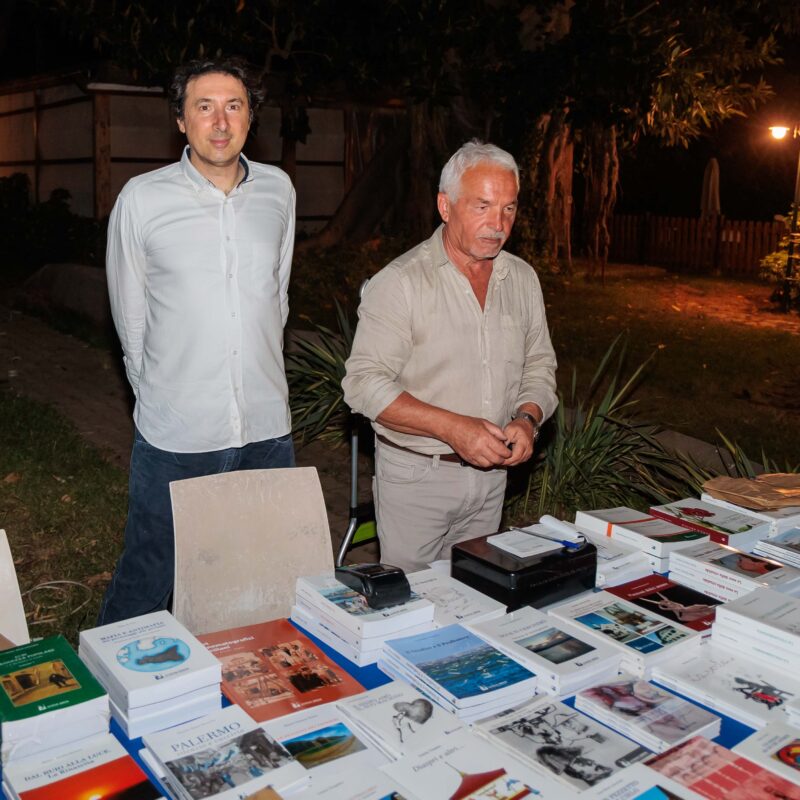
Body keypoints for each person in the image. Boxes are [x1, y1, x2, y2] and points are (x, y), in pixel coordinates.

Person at [99, 57, 296, 624]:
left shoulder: (279, 190)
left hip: (265, 430)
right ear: (181, 121)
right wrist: (163, 395)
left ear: (251, 116)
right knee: (149, 574)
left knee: (261, 576)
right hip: (177, 433)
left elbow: (276, 296)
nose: (220, 121)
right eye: (203, 107)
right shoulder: (141, 199)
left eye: (234, 106)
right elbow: (130, 321)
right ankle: (110, 673)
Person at [342, 140, 557, 572]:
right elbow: (363, 384)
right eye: (482, 206)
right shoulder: (401, 282)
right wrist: (453, 429)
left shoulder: (522, 279)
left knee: (474, 592)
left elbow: (540, 365)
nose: (498, 224)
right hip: (418, 478)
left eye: (509, 208)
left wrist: (527, 418)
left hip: (492, 479)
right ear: (445, 206)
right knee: (411, 600)